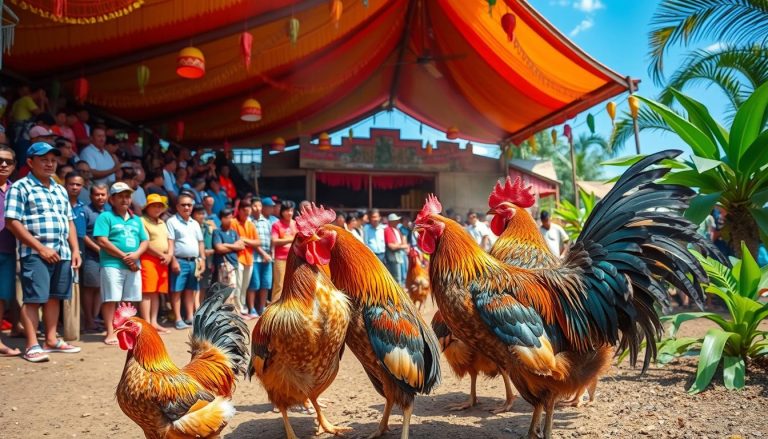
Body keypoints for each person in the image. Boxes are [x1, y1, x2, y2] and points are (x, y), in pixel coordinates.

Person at [5, 142, 82, 362]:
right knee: (33, 299)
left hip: (63, 252)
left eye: (53, 160)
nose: (49, 164)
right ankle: (31, 345)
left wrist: (75, 249)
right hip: (35, 253)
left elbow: (69, 221)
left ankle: (51, 340)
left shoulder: (59, 189)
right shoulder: (20, 187)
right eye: (44, 160)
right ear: (30, 162)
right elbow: (11, 222)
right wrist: (40, 248)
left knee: (54, 298)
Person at [94, 182, 148, 345]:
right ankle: (110, 332)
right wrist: (125, 257)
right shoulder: (105, 217)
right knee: (111, 299)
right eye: (121, 196)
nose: (125, 199)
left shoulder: (136, 219)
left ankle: (127, 332)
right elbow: (102, 241)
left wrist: (136, 254)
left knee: (130, 300)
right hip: (111, 264)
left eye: (127, 196)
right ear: (112, 199)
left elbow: (145, 241)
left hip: (133, 264)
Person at [166, 193, 205, 329]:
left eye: (189, 205)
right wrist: (173, 260)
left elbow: (200, 243)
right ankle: (178, 319)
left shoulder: (195, 223)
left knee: (190, 290)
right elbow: (170, 243)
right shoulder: (171, 222)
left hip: (194, 261)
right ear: (177, 206)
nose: (186, 207)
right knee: (177, 290)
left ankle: (189, 317)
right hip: (180, 260)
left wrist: (202, 259)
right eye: (183, 205)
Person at [139, 194, 171, 334]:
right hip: (148, 259)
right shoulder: (142, 221)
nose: (157, 208)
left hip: (162, 260)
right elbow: (145, 242)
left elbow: (170, 240)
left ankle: (154, 322)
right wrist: (162, 255)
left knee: (156, 292)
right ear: (147, 207)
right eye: (154, 205)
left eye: (160, 206)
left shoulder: (162, 222)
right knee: (147, 291)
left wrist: (169, 255)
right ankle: (146, 323)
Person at [81, 183, 109, 333]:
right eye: (97, 194)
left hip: (107, 257)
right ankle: (89, 321)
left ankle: (95, 318)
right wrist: (98, 249)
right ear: (91, 196)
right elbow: (82, 234)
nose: (100, 197)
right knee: (90, 288)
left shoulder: (109, 211)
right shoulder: (85, 210)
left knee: (100, 288)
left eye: (103, 194)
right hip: (91, 256)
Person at [0, 146, 18, 357]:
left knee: (2, 298)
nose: (3, 165)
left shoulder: (17, 189)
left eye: (8, 161)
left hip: (9, 250)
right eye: (0, 160)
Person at [232, 202, 259, 317]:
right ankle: (237, 309)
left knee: (244, 286)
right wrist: (247, 241)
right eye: (245, 211)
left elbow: (258, 242)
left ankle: (242, 308)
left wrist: (244, 239)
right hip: (237, 257)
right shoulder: (233, 222)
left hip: (249, 258)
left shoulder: (250, 224)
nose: (247, 213)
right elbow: (235, 241)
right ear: (240, 210)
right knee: (237, 285)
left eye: (248, 212)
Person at [248, 197, 272, 316]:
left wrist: (270, 253)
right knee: (254, 284)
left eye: (259, 206)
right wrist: (264, 254)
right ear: (251, 207)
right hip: (254, 257)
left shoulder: (267, 221)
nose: (257, 208)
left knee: (265, 284)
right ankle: (252, 308)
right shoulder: (249, 221)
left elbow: (271, 239)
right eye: (255, 206)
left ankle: (262, 308)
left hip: (267, 257)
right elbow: (252, 241)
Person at [213, 208, 243, 296]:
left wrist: (226, 245)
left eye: (231, 217)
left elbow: (241, 246)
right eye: (228, 218)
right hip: (224, 265)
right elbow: (219, 248)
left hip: (234, 263)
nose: (231, 220)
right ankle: (225, 309)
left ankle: (231, 308)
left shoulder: (233, 232)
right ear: (222, 219)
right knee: (225, 290)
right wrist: (234, 246)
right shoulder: (217, 232)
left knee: (235, 289)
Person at [270, 200, 296, 302]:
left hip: (294, 258)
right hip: (280, 259)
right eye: (287, 211)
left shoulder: (296, 224)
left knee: (293, 284)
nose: (289, 213)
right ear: (282, 212)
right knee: (279, 284)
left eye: (291, 210)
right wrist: (292, 239)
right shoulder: (277, 225)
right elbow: (275, 241)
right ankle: (274, 310)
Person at [192, 204, 216, 295]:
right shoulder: (191, 226)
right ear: (193, 214)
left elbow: (216, 239)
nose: (202, 216)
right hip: (195, 259)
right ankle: (195, 308)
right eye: (199, 213)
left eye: (203, 213)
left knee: (204, 285)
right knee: (194, 286)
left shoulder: (208, 226)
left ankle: (201, 307)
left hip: (208, 260)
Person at [384, 213, 409, 285]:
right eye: (396, 220)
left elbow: (400, 242)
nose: (398, 221)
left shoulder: (396, 229)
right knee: (396, 278)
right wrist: (403, 246)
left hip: (398, 256)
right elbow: (391, 246)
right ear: (391, 221)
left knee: (401, 276)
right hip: (393, 257)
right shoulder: (388, 230)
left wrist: (401, 245)